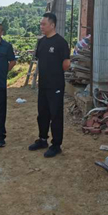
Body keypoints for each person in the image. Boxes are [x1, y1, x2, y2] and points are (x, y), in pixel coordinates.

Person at [28, 13, 71, 158]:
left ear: (52, 25)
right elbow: (41, 60)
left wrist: (55, 74)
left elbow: (66, 64)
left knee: (56, 115)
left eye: (44, 24)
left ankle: (56, 145)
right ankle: (42, 139)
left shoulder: (61, 42)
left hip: (56, 85)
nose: (41, 26)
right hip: (43, 84)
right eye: (41, 24)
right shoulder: (41, 42)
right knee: (42, 113)